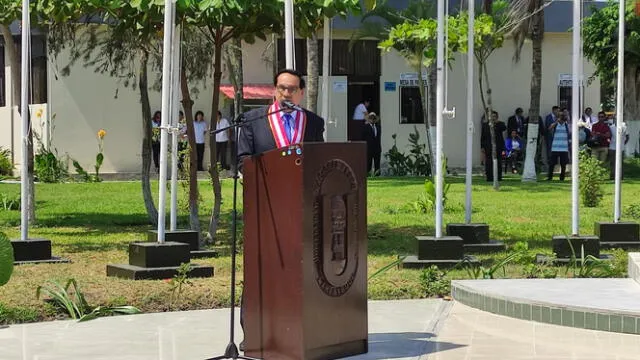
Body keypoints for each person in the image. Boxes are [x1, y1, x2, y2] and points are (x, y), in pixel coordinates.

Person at [237, 69, 325, 351]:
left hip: (301, 211)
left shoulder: (313, 122)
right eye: (281, 88)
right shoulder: (254, 120)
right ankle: (255, 333)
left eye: (292, 89)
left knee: (301, 271)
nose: (286, 94)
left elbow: (319, 161)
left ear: (301, 92)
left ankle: (299, 332)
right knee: (261, 270)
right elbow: (243, 160)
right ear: (274, 90)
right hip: (265, 210)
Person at [480, 110, 507, 182]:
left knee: (498, 162)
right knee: (489, 162)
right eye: (492, 116)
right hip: (488, 146)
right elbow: (482, 136)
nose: (493, 118)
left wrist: (497, 123)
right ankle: (489, 177)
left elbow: (504, 128)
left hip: (498, 146)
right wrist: (482, 146)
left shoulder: (500, 124)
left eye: (495, 116)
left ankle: (498, 177)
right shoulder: (485, 125)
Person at [547, 110, 570, 181]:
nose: (562, 117)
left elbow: (570, 132)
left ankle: (562, 178)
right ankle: (550, 177)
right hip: (555, 148)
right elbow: (549, 128)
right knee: (552, 164)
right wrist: (557, 121)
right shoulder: (555, 124)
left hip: (564, 148)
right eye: (560, 116)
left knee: (563, 165)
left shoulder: (566, 125)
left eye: (562, 116)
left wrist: (567, 120)